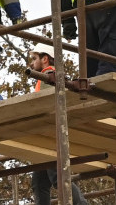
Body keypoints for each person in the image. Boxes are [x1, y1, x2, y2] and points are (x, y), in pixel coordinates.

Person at [28, 43, 89, 205]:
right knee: (39, 182)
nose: (32, 63)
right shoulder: (48, 77)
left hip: (50, 133)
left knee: (58, 177)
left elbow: (47, 105)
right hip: (46, 134)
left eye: (35, 59)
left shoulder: (49, 75)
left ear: (45, 59)